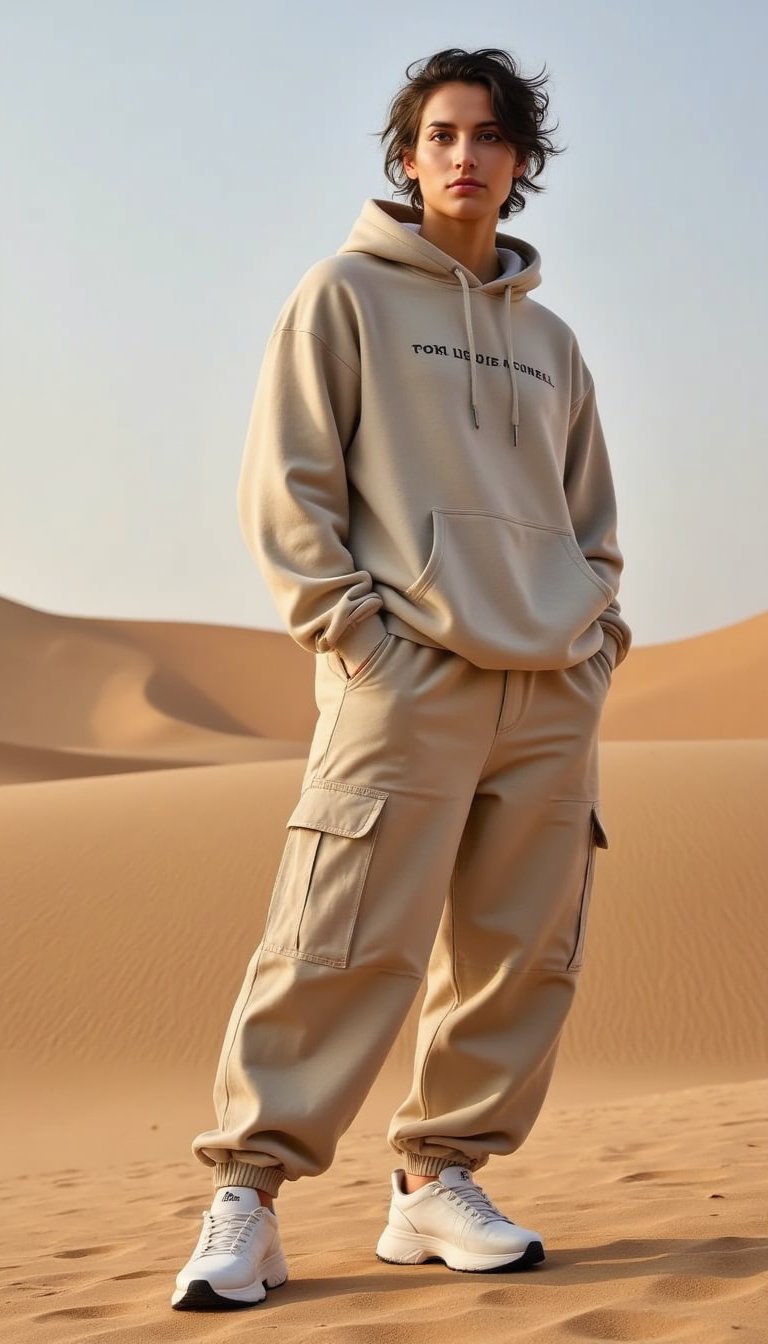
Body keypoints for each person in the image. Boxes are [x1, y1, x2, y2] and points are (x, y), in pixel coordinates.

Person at [171, 45, 631, 1311]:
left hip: (547, 690)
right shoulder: (345, 299)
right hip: (403, 675)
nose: (464, 157)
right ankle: (247, 1200)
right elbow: (291, 489)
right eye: (439, 134)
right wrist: (357, 638)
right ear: (407, 153)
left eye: (488, 137)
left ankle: (437, 1182)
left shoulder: (554, 342)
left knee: (521, 956)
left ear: (521, 162)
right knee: (334, 942)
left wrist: (595, 645)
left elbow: (591, 520)